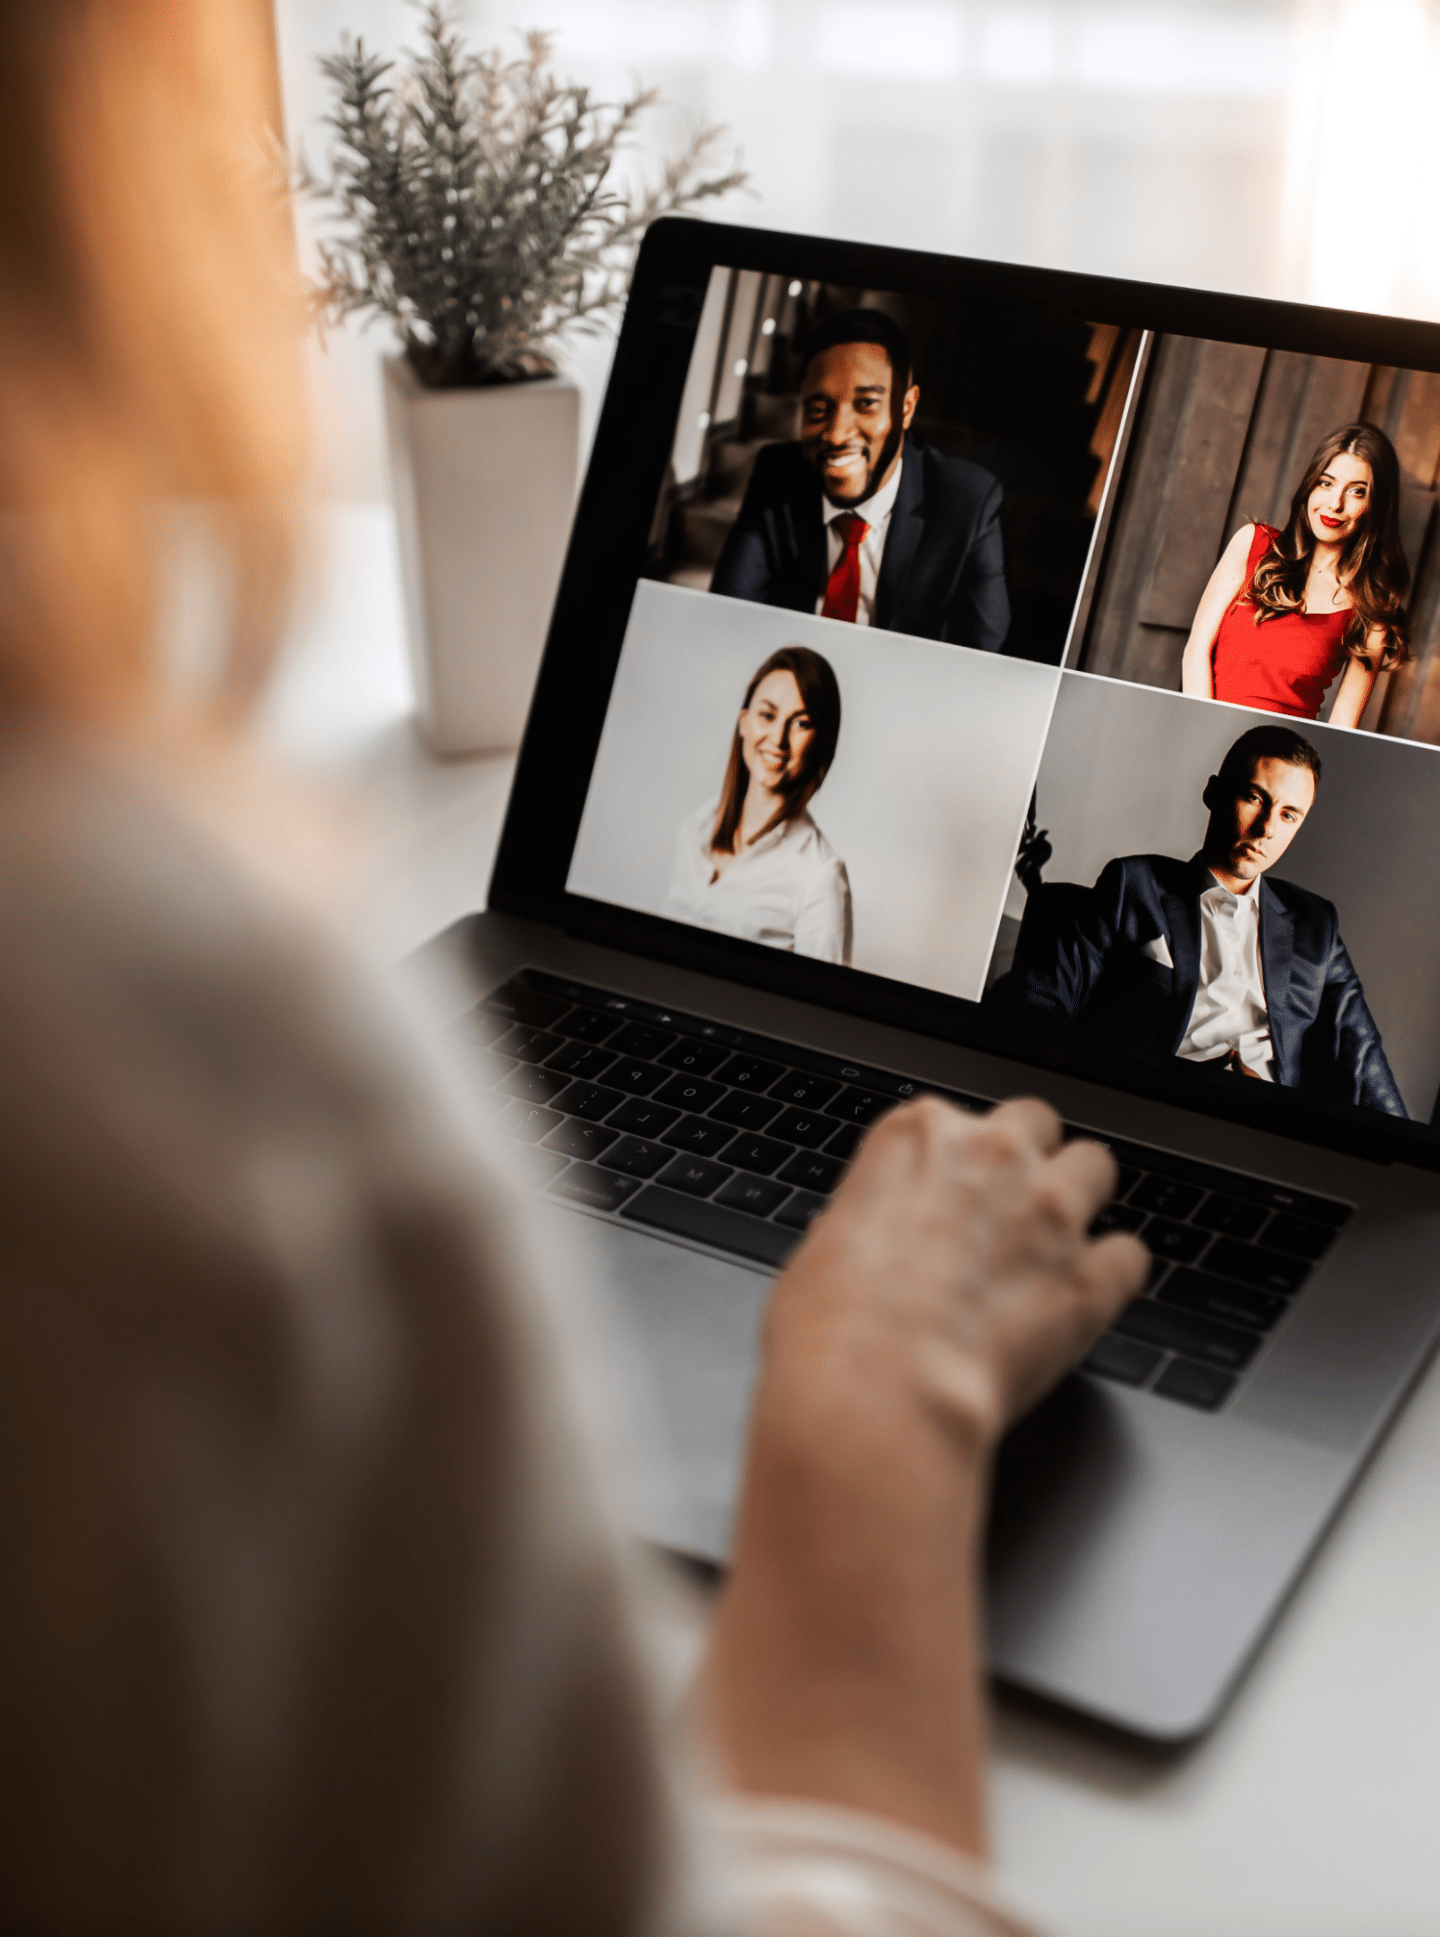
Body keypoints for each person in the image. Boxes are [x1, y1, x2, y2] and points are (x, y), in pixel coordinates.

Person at [0, 9, 1150, 1932]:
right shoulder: (154, 1054)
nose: (845, 431)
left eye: (874, 409)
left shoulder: (958, 548)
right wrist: (879, 1421)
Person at [986, 725, 1406, 1116]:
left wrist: (1406, 1161)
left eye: (1288, 815)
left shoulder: (1316, 923)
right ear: (1214, 793)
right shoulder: (1135, 883)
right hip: (1155, 1109)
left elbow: (1363, 1057)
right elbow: (1036, 1000)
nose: (1265, 829)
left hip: (1268, 1126)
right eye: (1255, 798)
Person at [709, 308, 1012, 652]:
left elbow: (983, 648)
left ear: (907, 408)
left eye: (866, 404)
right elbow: (727, 615)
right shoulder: (777, 473)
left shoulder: (968, 501)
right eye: (818, 409)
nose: (836, 434)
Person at [1180, 423, 1409, 726]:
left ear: (1375, 506)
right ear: (1310, 485)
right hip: (1201, 729)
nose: (1335, 503)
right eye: (1326, 483)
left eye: (1356, 491)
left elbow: (1344, 723)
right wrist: (1201, 732)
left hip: (1283, 761)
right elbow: (1196, 650)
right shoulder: (1252, 543)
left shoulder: (1371, 608)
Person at [666, 645, 854, 963]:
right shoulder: (696, 827)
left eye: (800, 723)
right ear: (743, 722)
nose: (777, 738)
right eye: (767, 715)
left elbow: (816, 1007)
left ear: (820, 742)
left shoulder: (820, 876)